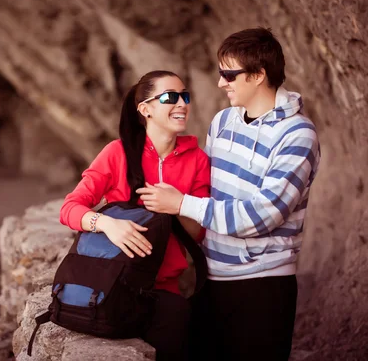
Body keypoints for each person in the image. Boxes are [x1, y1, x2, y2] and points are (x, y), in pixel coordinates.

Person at [137, 28, 321, 360]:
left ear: (259, 75)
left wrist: (181, 203)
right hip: (211, 278)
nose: (221, 83)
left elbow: (263, 216)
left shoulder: (298, 135)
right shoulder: (222, 122)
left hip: (263, 285)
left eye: (229, 74)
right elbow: (207, 192)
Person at [59, 70, 210, 360]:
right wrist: (105, 224)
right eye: (170, 97)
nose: (181, 104)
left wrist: (177, 206)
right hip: (113, 286)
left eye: (185, 96)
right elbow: (69, 208)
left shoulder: (198, 160)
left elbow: (197, 234)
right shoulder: (117, 153)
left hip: (165, 292)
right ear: (145, 109)